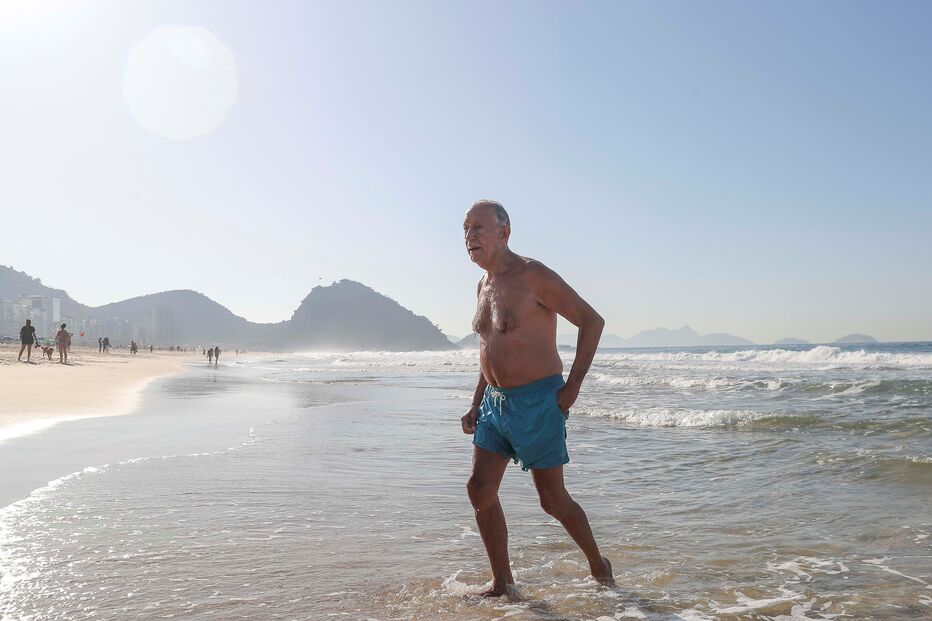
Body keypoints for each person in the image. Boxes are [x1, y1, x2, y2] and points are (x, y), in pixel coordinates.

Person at [460, 200, 613, 596]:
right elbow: (488, 347)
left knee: (552, 500)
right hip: (495, 404)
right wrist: (477, 400)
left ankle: (599, 565)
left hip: (537, 403)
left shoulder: (533, 276)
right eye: (465, 229)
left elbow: (592, 321)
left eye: (478, 228)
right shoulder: (483, 285)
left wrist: (574, 386)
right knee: (479, 488)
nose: (469, 236)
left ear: (504, 233)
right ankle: (502, 581)